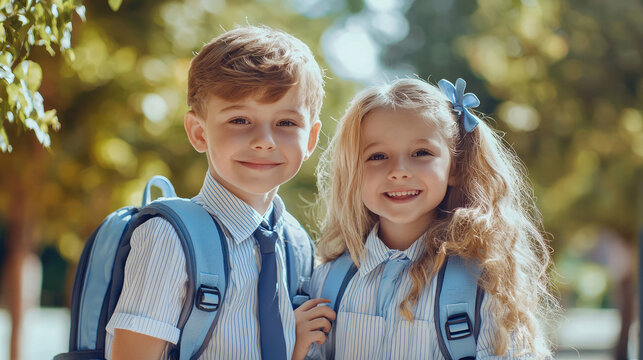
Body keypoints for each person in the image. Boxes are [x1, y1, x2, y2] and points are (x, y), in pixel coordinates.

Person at [105, 25, 325, 360]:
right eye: (239, 120)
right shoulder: (170, 238)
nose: (264, 139)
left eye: (286, 123)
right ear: (198, 132)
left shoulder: (297, 245)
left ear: (310, 139)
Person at [299, 78, 558, 359]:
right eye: (377, 156)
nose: (398, 171)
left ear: (455, 167)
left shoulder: (484, 282)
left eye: (421, 153)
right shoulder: (326, 283)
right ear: (353, 173)